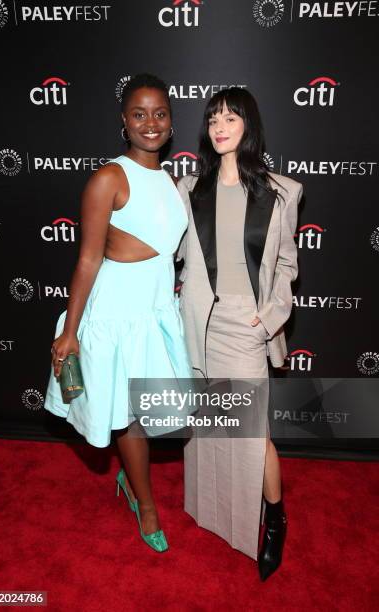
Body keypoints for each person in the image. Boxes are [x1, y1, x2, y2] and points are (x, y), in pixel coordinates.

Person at [44, 73, 191, 553]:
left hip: (154, 311)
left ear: (171, 122)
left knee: (149, 410)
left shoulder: (169, 181)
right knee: (128, 415)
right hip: (116, 314)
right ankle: (145, 502)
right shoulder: (109, 177)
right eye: (139, 114)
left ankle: (132, 484)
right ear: (123, 122)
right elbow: (88, 258)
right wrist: (71, 329)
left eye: (160, 114)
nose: (151, 123)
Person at [176, 87, 303, 580]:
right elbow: (172, 253)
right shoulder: (190, 190)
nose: (220, 126)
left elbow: (287, 263)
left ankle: (274, 518)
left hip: (246, 327)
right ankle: (216, 512)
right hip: (202, 327)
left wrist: (269, 317)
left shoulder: (282, 191)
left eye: (230, 117)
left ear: (248, 124)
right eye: (213, 119)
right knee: (210, 429)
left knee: (253, 434)